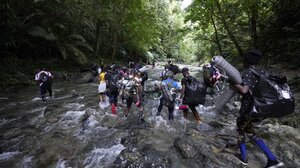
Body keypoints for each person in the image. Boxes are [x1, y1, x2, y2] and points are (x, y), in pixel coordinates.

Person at [232, 49, 284, 168]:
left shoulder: (248, 72)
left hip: (249, 108)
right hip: (261, 108)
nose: (243, 62)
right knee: (250, 131)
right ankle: (272, 159)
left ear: (247, 61)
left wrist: (233, 83)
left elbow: (244, 91)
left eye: (244, 60)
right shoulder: (263, 71)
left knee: (240, 130)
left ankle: (243, 158)